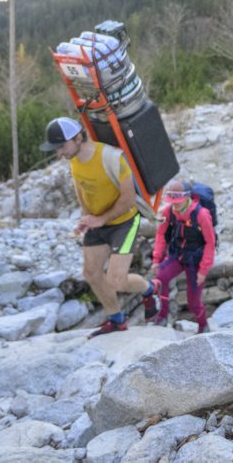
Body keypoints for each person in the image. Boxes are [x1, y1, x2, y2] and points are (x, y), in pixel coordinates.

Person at [40, 117, 161, 337]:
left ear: (78, 138)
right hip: (98, 221)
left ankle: (150, 289)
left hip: (125, 222)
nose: (59, 154)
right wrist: (85, 217)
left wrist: (101, 219)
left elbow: (128, 199)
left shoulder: (112, 158)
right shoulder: (73, 158)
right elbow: (81, 186)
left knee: (117, 280)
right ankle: (117, 320)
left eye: (62, 147)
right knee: (91, 273)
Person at [148, 179, 216, 333]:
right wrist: (156, 260)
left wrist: (203, 271)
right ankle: (162, 317)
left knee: (193, 302)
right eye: (172, 201)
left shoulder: (202, 215)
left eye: (177, 201)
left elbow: (210, 243)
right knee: (161, 276)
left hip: (196, 261)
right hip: (177, 255)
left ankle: (203, 325)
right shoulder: (168, 211)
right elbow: (161, 235)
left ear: (187, 197)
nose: (175, 204)